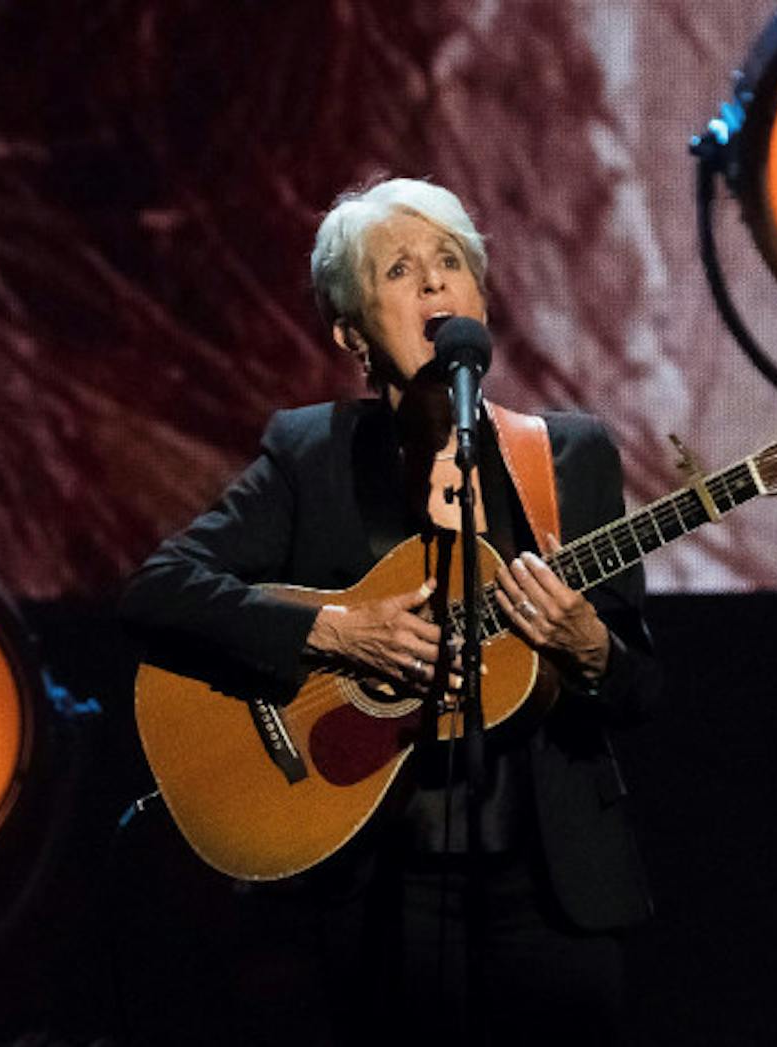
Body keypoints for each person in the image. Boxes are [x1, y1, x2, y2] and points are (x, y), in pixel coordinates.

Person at [119, 176, 663, 1046]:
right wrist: (333, 630)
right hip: (377, 895)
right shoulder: (312, 453)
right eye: (401, 269)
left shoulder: (569, 457)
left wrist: (590, 646)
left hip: (552, 897)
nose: (436, 283)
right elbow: (159, 589)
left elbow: (644, 689)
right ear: (353, 335)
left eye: (452, 262)